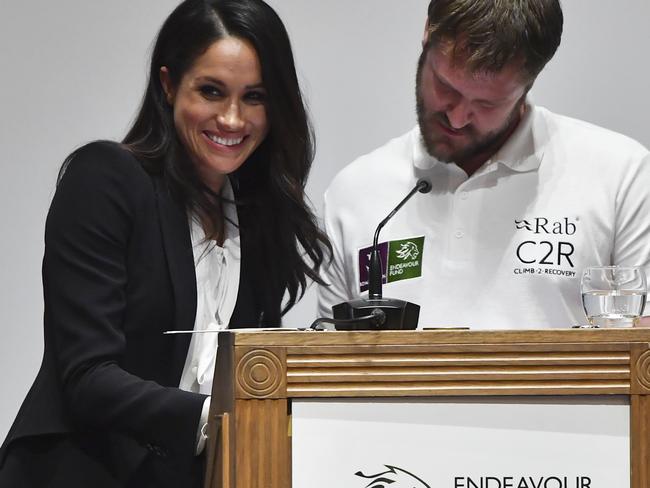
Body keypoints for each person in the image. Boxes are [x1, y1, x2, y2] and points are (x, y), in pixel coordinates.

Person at [0, 0, 330, 486]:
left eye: (255, 96)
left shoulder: (262, 214)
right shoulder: (106, 179)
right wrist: (219, 420)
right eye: (211, 91)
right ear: (169, 84)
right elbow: (87, 375)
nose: (233, 119)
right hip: (77, 471)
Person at [317, 0, 650, 330]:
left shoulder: (621, 175)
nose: (457, 118)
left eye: (487, 103)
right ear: (426, 34)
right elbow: (331, 369)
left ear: (530, 81)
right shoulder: (355, 191)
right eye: (444, 85)